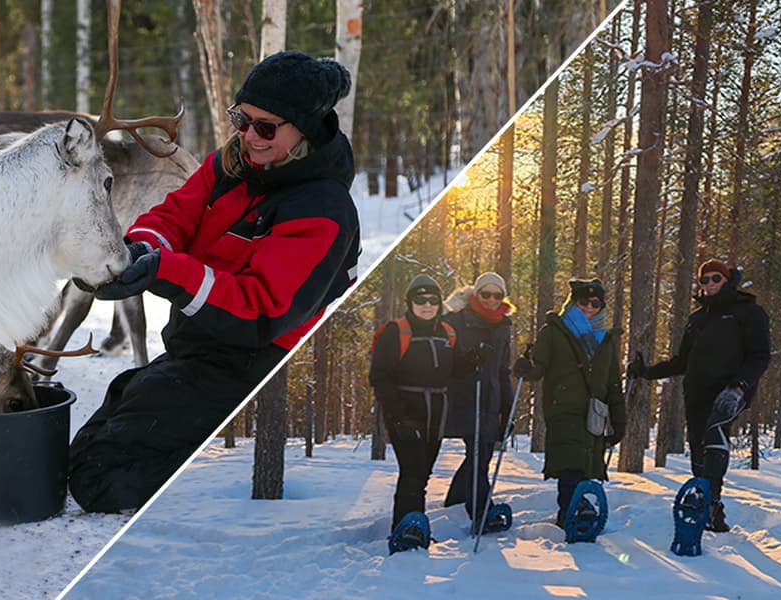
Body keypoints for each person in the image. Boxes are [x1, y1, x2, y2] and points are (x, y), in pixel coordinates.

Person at [68, 51, 361, 513]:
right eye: (241, 119)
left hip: (248, 366)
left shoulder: (321, 209)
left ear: (303, 128)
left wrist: (169, 273)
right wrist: (141, 250)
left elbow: (261, 308)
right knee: (98, 431)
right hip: (197, 351)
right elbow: (175, 215)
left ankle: (199, 493)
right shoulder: (231, 165)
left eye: (266, 127)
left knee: (98, 478)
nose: (249, 135)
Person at [627, 259, 770, 531]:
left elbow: (759, 356)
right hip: (696, 393)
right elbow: (681, 362)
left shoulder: (748, 312)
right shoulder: (697, 319)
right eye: (705, 280)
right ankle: (708, 506)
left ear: (727, 280)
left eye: (716, 278)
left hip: (730, 391)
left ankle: (712, 502)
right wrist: (645, 371)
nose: (710, 284)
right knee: (698, 448)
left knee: (714, 434)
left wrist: (739, 387)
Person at [513, 278, 625, 527]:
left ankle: (578, 513)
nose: (589, 307)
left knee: (587, 467)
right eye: (583, 301)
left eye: (595, 303)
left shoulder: (604, 340)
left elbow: (613, 383)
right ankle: (570, 515)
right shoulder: (554, 332)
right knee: (571, 464)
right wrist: (525, 368)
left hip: (594, 413)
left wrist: (619, 418)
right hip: (563, 409)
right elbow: (537, 368)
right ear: (572, 303)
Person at [369, 274, 459, 545]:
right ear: (410, 302)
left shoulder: (446, 332)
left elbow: (453, 369)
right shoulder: (395, 332)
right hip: (406, 413)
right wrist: (397, 418)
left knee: (422, 474)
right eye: (420, 299)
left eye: (433, 300)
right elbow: (380, 376)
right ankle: (405, 531)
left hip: (436, 415)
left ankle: (413, 526)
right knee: (412, 472)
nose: (427, 305)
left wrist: (474, 358)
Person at [441, 272, 515, 532]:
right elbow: (443, 358)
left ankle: (455, 501)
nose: (492, 300)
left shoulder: (503, 326)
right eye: (486, 294)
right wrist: (467, 361)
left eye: (498, 295)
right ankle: (481, 511)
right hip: (463, 396)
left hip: (490, 398)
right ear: (476, 294)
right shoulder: (456, 321)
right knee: (478, 452)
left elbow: (503, 371)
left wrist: (507, 407)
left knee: (481, 454)